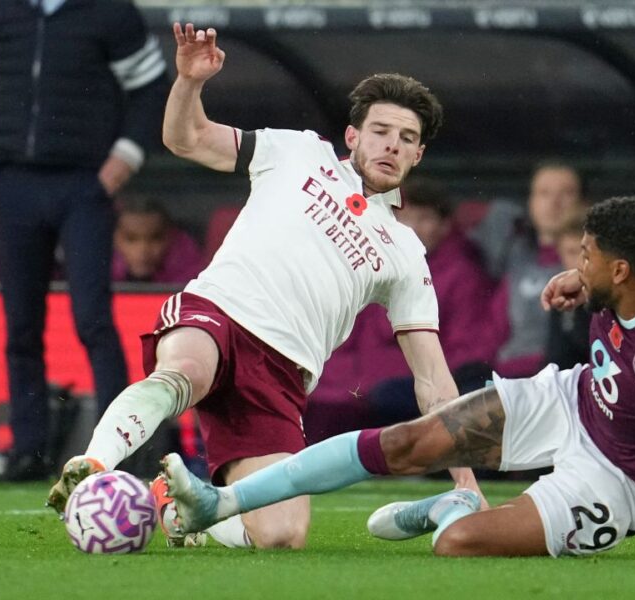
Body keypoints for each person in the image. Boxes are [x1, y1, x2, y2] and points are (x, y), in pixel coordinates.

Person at [159, 196, 635, 562]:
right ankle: (223, 504)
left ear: (620, 271)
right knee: (407, 442)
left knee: (460, 548)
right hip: (574, 399)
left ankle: (456, 509)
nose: (572, 262)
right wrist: (579, 282)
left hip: (622, 478)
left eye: (585, 256)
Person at [46, 23, 482, 550]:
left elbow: (433, 379)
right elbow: (185, 139)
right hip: (220, 312)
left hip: (280, 376)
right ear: (352, 136)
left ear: (418, 156)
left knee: (281, 536)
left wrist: (467, 484)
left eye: (406, 138)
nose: (391, 145)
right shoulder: (297, 152)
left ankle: (171, 508)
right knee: (184, 371)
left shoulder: (406, 252)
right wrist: (188, 83)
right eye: (380, 131)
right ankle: (93, 466)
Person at [0, 0, 168, 480]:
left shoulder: (111, 11)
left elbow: (150, 86)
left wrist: (128, 155)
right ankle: (28, 453)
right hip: (12, 183)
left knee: (93, 318)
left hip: (84, 184)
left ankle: (117, 451)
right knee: (21, 327)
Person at [305, 176, 496, 441]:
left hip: (415, 384)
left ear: (444, 226)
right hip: (360, 380)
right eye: (406, 217)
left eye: (425, 218)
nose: (414, 227)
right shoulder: (375, 265)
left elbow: (464, 352)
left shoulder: (463, 275)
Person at [473, 161, 586, 377]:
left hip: (556, 379)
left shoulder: (592, 267)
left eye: (566, 193)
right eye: (544, 193)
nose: (555, 203)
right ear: (530, 201)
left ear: (583, 201)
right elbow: (491, 334)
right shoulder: (515, 260)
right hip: (505, 375)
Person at [112, 196, 203, 284]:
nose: (144, 249)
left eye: (155, 238)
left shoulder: (193, 279)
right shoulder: (101, 273)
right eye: (131, 239)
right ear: (115, 239)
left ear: (170, 238)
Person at [544, 209, 589, 368]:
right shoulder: (559, 293)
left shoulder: (609, 297)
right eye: (570, 252)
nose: (578, 261)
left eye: (583, 252)